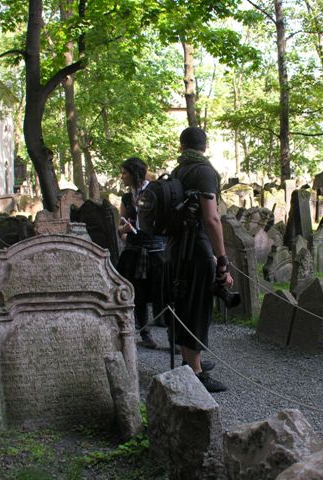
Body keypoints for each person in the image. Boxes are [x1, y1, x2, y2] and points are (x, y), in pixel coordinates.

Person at [168, 127, 233, 392]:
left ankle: (189, 361)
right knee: (197, 307)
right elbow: (211, 218)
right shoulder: (204, 171)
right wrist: (222, 259)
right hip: (196, 247)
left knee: (186, 303)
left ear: (182, 146)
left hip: (176, 247)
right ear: (205, 147)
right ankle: (196, 373)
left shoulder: (178, 171)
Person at [117, 157, 168, 349]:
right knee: (137, 294)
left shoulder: (155, 192)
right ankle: (145, 334)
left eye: (125, 173)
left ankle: (173, 336)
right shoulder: (126, 198)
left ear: (135, 173)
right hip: (134, 251)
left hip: (157, 249)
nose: (122, 176)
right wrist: (124, 231)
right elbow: (120, 227)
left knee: (164, 292)